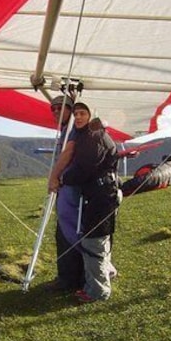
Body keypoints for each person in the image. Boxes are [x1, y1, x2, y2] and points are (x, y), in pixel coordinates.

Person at [57, 102, 120, 303]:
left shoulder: (95, 137)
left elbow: (85, 167)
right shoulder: (93, 135)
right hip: (101, 194)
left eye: (83, 113)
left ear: (92, 115)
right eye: (76, 114)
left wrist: (62, 178)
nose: (79, 117)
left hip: (102, 197)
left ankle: (98, 291)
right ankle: (106, 274)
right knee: (100, 239)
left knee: (93, 241)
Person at [44, 94, 86, 292]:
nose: (55, 112)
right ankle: (68, 277)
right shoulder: (65, 129)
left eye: (61, 107)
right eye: (53, 109)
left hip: (73, 190)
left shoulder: (75, 129)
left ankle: (73, 280)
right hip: (67, 188)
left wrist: (54, 176)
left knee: (70, 232)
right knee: (63, 232)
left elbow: (68, 152)